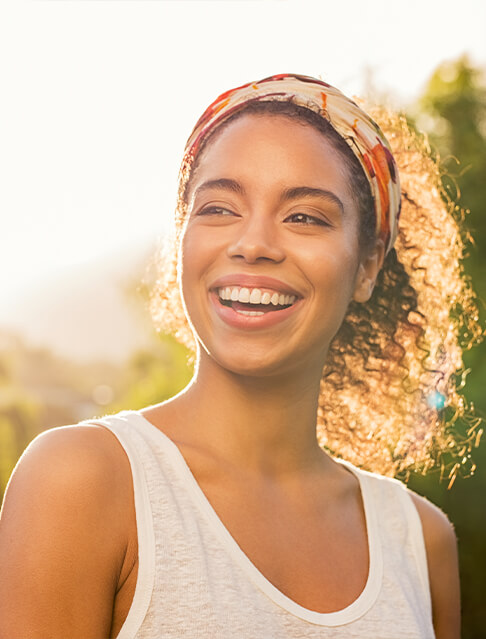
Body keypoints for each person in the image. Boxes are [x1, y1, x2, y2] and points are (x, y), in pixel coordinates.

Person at [0, 73, 480, 639]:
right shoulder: (83, 482)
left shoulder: (420, 542)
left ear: (368, 265)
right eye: (220, 208)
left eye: (304, 216)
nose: (252, 243)